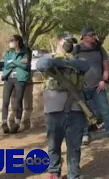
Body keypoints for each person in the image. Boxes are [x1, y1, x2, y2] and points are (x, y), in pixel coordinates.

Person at [36, 32, 87, 179]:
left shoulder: (78, 60)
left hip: (76, 109)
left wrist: (65, 62)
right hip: (53, 110)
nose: (70, 44)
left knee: (74, 146)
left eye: (72, 41)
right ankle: (54, 172)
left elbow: (86, 66)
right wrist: (61, 61)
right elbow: (41, 65)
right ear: (59, 41)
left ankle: (74, 174)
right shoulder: (49, 58)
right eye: (67, 41)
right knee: (53, 145)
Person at [75, 27, 109, 145]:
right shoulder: (77, 49)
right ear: (83, 37)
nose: (93, 36)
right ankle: (85, 134)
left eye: (94, 34)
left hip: (98, 86)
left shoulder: (99, 49)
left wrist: (104, 80)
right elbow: (72, 66)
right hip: (82, 86)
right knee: (84, 111)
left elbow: (106, 64)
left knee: (105, 109)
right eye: (90, 34)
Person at [1, 35, 31, 134]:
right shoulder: (8, 52)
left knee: (19, 101)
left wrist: (13, 62)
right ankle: (4, 123)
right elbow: (6, 64)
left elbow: (26, 65)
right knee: (5, 101)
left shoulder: (25, 51)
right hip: (8, 78)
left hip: (20, 78)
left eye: (12, 40)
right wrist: (18, 62)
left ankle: (17, 123)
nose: (10, 42)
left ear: (18, 41)